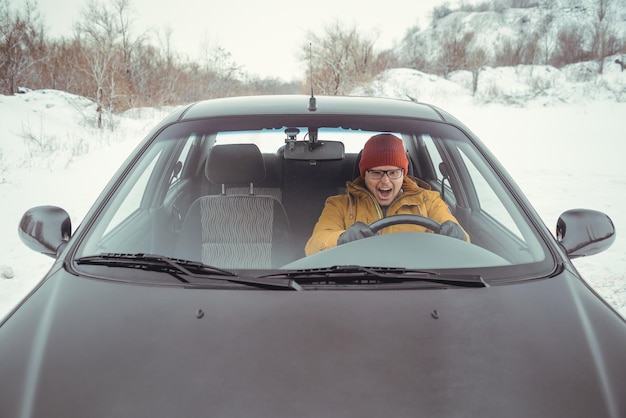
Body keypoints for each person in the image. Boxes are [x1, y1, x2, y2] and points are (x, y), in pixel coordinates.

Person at [305, 133, 469, 255]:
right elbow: (313, 246)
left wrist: (457, 236)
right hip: (356, 285)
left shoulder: (430, 201)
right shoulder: (339, 204)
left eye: (393, 173)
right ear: (364, 174)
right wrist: (342, 239)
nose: (385, 182)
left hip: (419, 283)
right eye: (376, 173)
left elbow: (464, 242)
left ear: (403, 173)